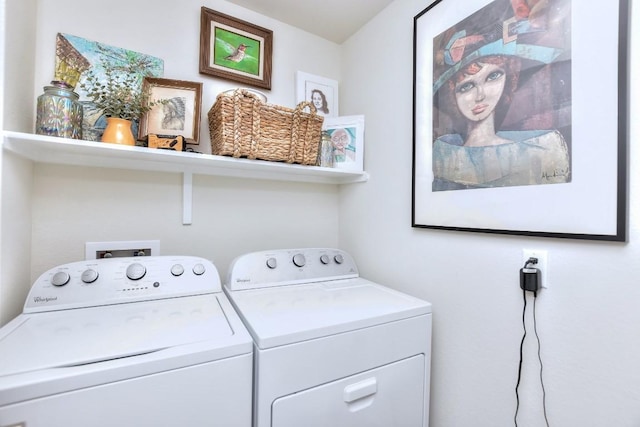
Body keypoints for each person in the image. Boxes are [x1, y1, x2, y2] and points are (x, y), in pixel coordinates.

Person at [430, 0, 570, 191]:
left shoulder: (541, 150)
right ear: (453, 93)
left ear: (508, 79)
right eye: (466, 86)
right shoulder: (443, 154)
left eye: (492, 76)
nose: (480, 95)